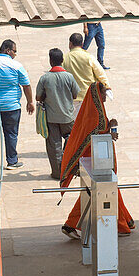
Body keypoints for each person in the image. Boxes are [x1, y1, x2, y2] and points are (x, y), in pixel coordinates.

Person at [59, 81, 135, 239]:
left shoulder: (96, 111)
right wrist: (110, 134)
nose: (105, 97)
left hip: (99, 160)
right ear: (97, 95)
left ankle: (124, 222)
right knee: (104, 191)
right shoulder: (95, 114)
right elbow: (95, 137)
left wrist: (110, 126)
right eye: (103, 94)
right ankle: (121, 224)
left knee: (98, 192)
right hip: (96, 162)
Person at [35, 48, 81, 179]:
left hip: (51, 118)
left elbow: (38, 97)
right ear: (62, 60)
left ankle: (57, 173)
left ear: (50, 61)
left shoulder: (45, 78)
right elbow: (75, 94)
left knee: (54, 146)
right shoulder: (69, 77)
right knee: (71, 141)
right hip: (68, 116)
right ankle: (70, 168)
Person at [0, 38, 33, 169]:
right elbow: (26, 85)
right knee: (11, 134)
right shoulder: (16, 65)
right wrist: (30, 102)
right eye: (14, 51)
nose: (15, 54)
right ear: (7, 51)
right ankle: (12, 161)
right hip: (11, 107)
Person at [64, 31, 108, 105]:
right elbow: (100, 73)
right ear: (82, 44)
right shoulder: (89, 57)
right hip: (88, 97)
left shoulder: (64, 58)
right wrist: (107, 86)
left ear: (70, 44)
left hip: (71, 98)